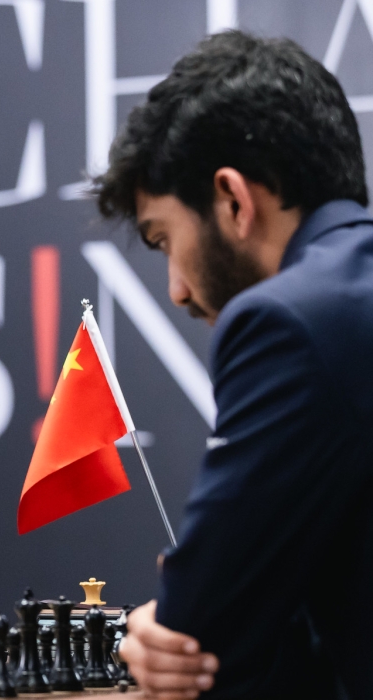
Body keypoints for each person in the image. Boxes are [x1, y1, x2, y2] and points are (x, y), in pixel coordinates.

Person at [95, 31, 373, 698]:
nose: (178, 290)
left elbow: (202, 642)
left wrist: (156, 626)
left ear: (232, 200)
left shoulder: (291, 321)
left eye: (166, 239)